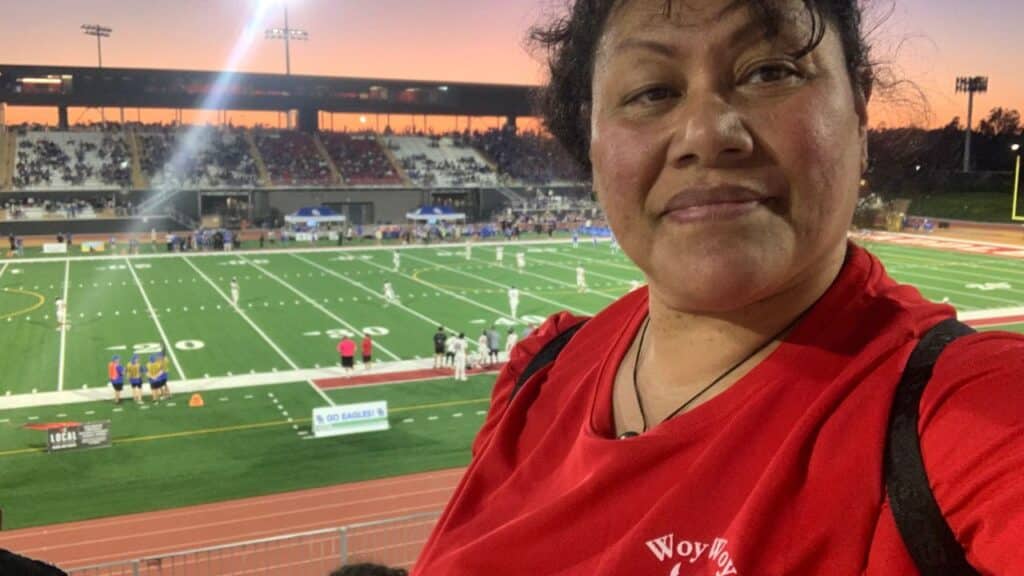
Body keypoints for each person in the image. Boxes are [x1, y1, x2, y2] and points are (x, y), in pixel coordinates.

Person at [412, 1, 1024, 575]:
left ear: (860, 114)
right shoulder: (537, 376)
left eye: (769, 71)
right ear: (593, 144)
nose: (707, 134)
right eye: (651, 91)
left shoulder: (972, 414)